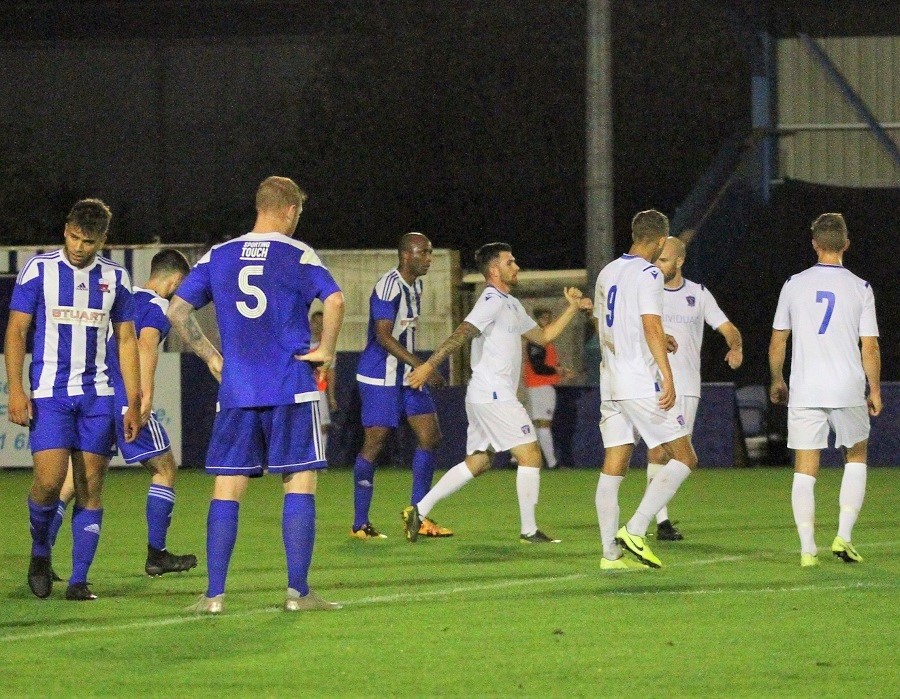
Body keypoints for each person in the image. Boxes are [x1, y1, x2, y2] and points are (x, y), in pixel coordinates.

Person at [168, 176, 345, 613]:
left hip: (237, 390)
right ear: (289, 210)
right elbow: (335, 299)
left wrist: (210, 355)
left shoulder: (218, 256)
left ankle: (213, 596)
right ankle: (297, 593)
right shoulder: (298, 254)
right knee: (299, 483)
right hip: (290, 386)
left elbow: (177, 309)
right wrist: (326, 350)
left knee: (226, 489)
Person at [403, 242, 591, 543]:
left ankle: (419, 510)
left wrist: (570, 309)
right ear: (494, 270)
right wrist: (427, 366)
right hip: (493, 393)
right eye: (510, 262)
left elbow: (543, 337)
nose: (516, 267)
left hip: (486, 393)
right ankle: (529, 529)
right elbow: (462, 332)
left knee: (478, 462)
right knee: (530, 454)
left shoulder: (512, 304)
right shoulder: (491, 299)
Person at [4, 198, 141, 601]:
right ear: (66, 230)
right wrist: (15, 389)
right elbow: (16, 331)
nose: (80, 247)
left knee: (90, 485)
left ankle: (80, 580)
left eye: (90, 241)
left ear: (103, 240)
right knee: (47, 483)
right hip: (50, 393)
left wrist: (132, 401)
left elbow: (128, 339)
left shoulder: (116, 278)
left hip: (98, 395)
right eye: (75, 237)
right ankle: (40, 553)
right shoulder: (39, 269)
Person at [46, 249, 198, 577]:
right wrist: (143, 399)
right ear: (175, 281)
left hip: (96, 399)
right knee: (165, 469)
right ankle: (156, 554)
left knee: (74, 481)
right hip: (126, 400)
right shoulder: (158, 307)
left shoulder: (123, 298)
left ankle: (41, 556)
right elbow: (145, 345)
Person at [769, 213, 881, 567]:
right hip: (848, 386)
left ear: (814, 243)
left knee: (805, 467)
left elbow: (778, 340)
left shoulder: (793, 284)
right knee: (856, 455)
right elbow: (870, 347)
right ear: (846, 244)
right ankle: (844, 538)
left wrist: (777, 378)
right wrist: (874, 388)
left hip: (805, 387)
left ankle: (807, 549)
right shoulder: (861, 287)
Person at [593, 209, 699, 570]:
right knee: (685, 457)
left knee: (614, 465)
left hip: (611, 379)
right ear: (658, 241)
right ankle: (636, 530)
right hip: (639, 380)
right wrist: (668, 377)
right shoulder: (649, 272)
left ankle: (610, 555)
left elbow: (605, 326)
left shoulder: (608, 271)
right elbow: (651, 324)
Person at [352, 232, 452, 539]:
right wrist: (421, 365)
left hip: (407, 375)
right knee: (376, 441)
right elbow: (382, 335)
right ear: (406, 255)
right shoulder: (388, 285)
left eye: (431, 253)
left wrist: (416, 367)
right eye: (424, 253)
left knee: (430, 436)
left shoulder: (417, 285)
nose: (429, 259)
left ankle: (417, 515)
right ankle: (360, 524)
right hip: (379, 375)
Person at [642, 236, 743, 540]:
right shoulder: (647, 292)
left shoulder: (698, 294)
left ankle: (653, 519)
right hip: (652, 382)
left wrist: (735, 346)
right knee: (657, 451)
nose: (657, 266)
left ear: (679, 261)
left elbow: (727, 327)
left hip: (686, 385)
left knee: (678, 455)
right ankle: (658, 522)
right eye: (655, 259)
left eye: (663, 260)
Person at [523, 307, 575, 470]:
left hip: (540, 385)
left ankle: (518, 458)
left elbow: (547, 363)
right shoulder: (537, 339)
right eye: (544, 318)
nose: (548, 321)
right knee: (543, 424)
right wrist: (556, 371)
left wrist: (561, 370)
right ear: (537, 319)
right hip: (540, 385)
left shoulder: (544, 339)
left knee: (536, 423)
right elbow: (538, 366)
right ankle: (552, 462)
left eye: (549, 318)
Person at [309, 310, 338, 458]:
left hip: (319, 389)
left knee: (323, 425)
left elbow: (330, 372)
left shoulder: (327, 345)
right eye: (316, 322)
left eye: (322, 323)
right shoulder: (302, 342)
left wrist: (331, 396)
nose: (318, 325)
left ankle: (320, 457)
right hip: (303, 389)